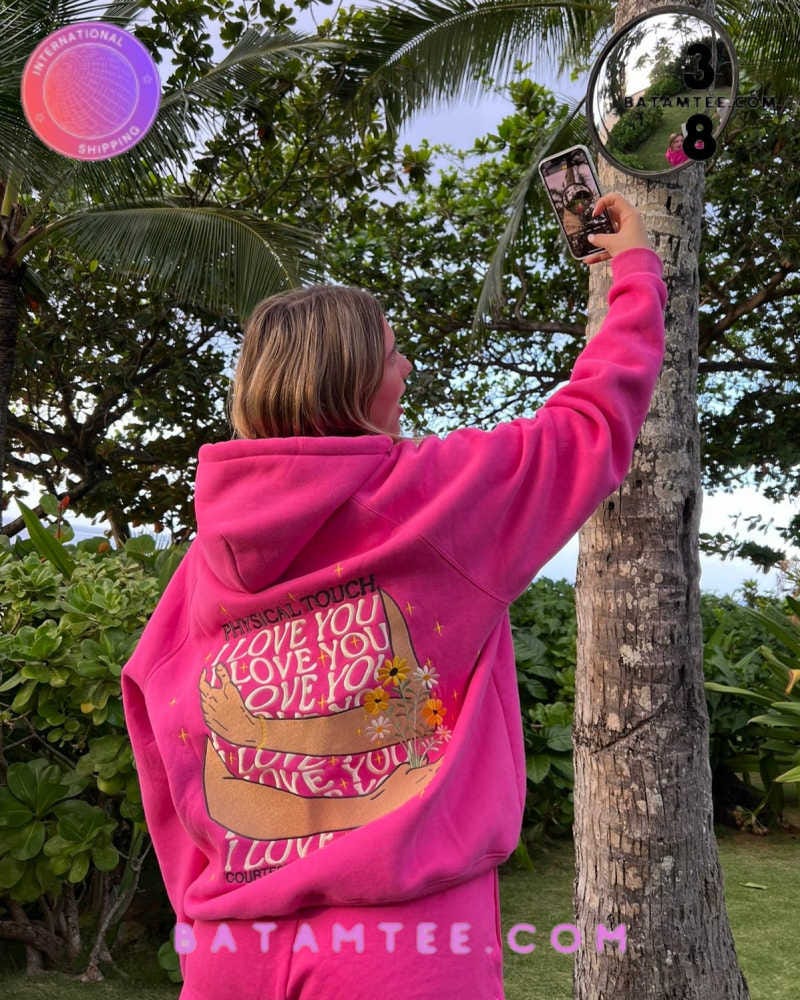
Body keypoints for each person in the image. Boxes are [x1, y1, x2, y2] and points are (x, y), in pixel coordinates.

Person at [121, 192, 666, 1000]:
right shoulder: (439, 499)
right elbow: (593, 420)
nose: (405, 368)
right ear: (349, 381)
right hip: (402, 943)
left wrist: (205, 897)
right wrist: (634, 268)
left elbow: (153, 719)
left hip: (230, 943)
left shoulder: (206, 561)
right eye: (390, 354)